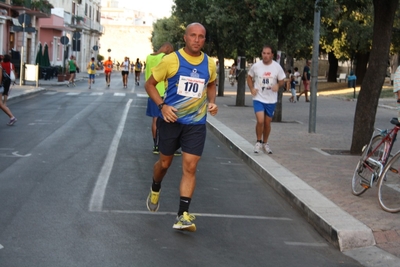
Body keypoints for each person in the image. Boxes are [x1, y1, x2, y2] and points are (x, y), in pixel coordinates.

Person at [144, 22, 218, 232]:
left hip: (196, 124)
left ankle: (182, 215)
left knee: (190, 166)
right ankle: (155, 187)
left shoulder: (209, 63)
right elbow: (149, 84)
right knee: (164, 164)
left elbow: (211, 83)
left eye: (201, 36)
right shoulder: (171, 60)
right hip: (171, 122)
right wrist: (162, 106)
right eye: (193, 35)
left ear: (204, 40)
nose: (197, 39)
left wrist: (211, 101)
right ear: (185, 38)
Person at [247, 45, 285, 154]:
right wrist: (251, 88)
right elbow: (249, 77)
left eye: (268, 53)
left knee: (267, 123)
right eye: (264, 53)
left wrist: (278, 85)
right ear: (261, 54)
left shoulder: (277, 67)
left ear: (272, 55)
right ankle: (258, 141)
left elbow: (282, 80)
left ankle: (265, 142)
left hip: (271, 99)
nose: (266, 55)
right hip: (258, 97)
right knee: (260, 120)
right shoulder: (256, 66)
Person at [144, 42, 174, 154]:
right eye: (170, 51)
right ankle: (169, 147)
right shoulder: (164, 57)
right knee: (169, 120)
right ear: (166, 48)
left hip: (151, 92)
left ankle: (155, 145)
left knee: (155, 120)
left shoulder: (149, 57)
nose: (170, 53)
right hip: (163, 92)